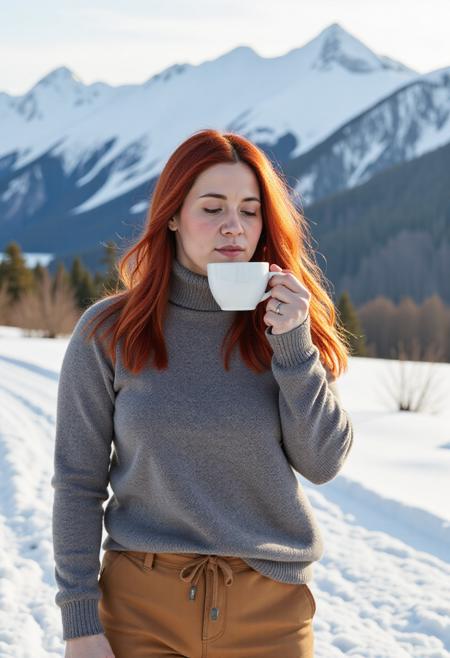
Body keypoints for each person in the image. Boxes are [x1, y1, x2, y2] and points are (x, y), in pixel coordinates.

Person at [52, 128, 354, 658]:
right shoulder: (109, 332)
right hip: (139, 609)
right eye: (211, 208)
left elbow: (323, 461)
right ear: (172, 214)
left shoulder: (285, 325)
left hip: (270, 613)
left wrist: (293, 347)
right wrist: (80, 623)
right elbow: (78, 483)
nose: (233, 227)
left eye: (249, 209)